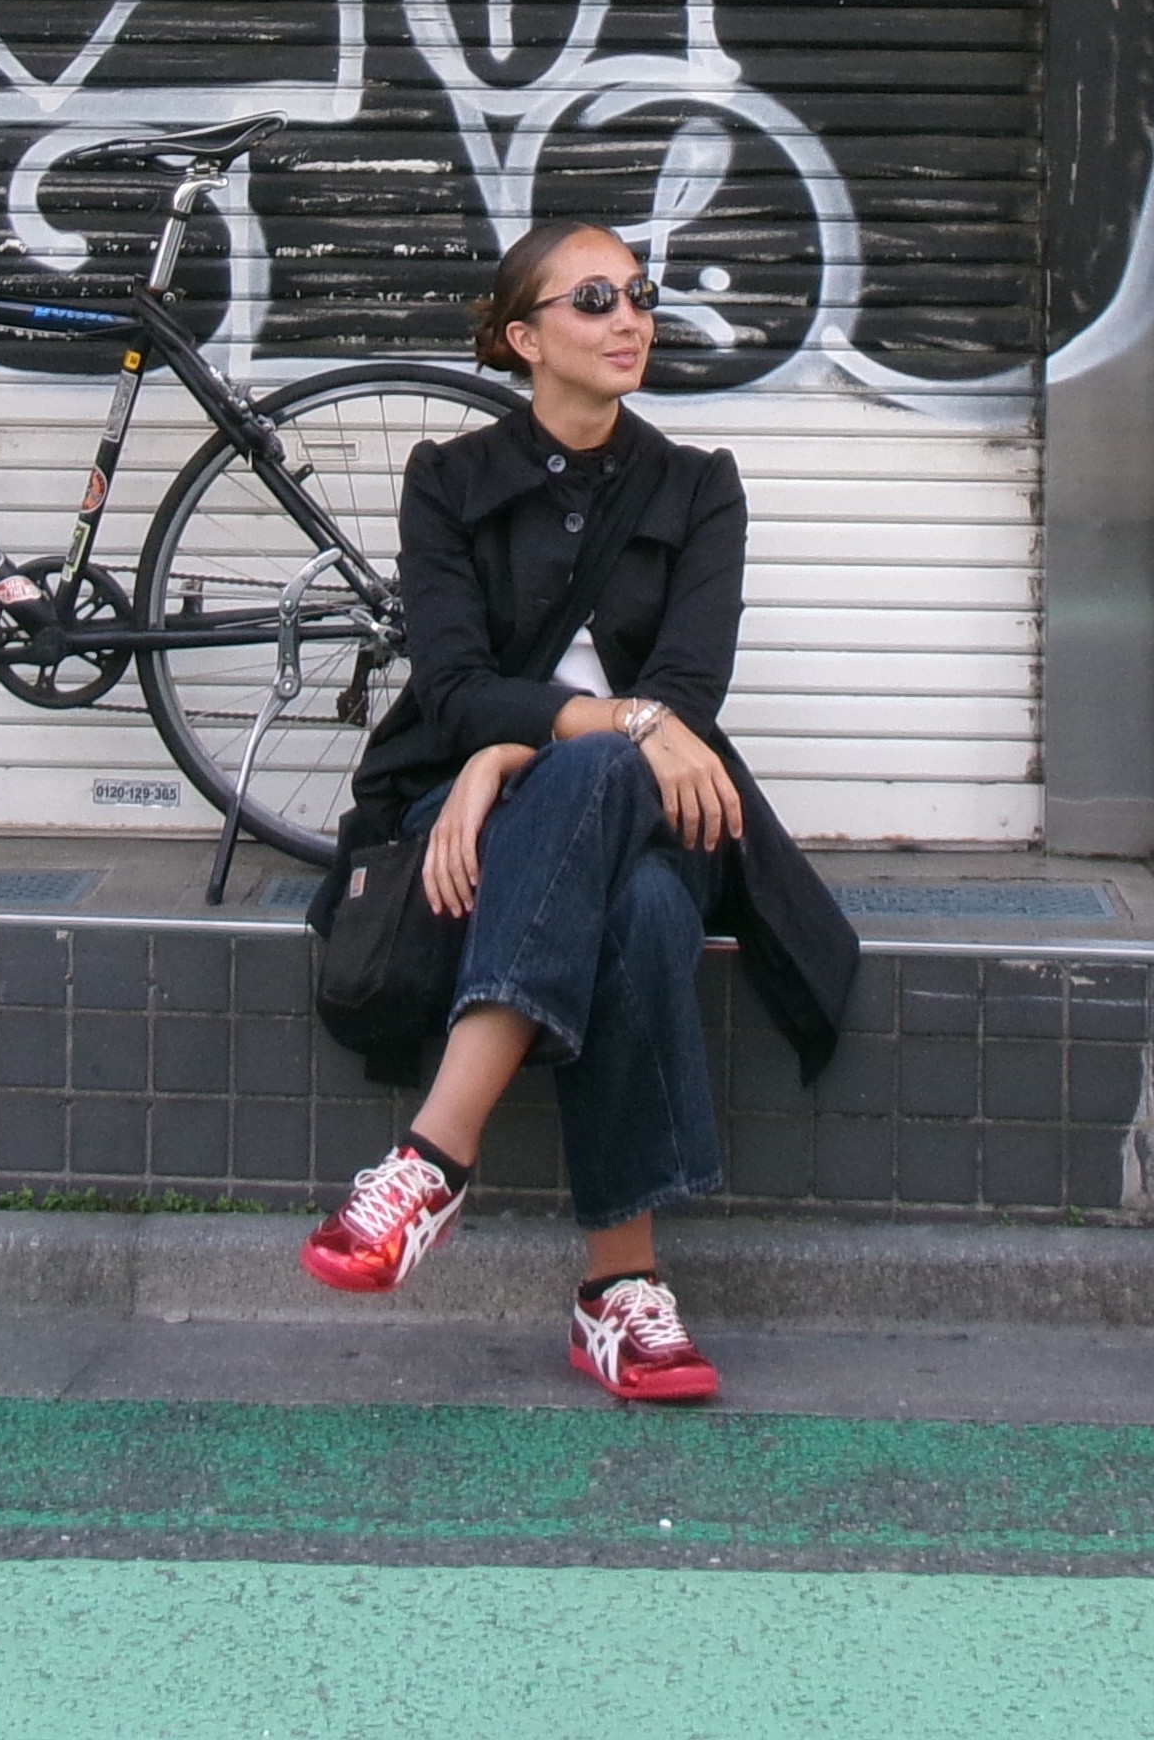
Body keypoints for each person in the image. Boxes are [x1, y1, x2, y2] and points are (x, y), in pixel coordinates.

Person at [292, 217, 858, 1404]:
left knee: (616, 786)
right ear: (522, 337)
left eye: (641, 296)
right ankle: (620, 1292)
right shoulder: (448, 482)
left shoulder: (699, 488)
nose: (631, 319)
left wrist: (560, 745)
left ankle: (432, 1159)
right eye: (594, 298)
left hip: (668, 804)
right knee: (641, 907)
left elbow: (686, 698)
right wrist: (506, 762)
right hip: (482, 799)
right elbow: (447, 688)